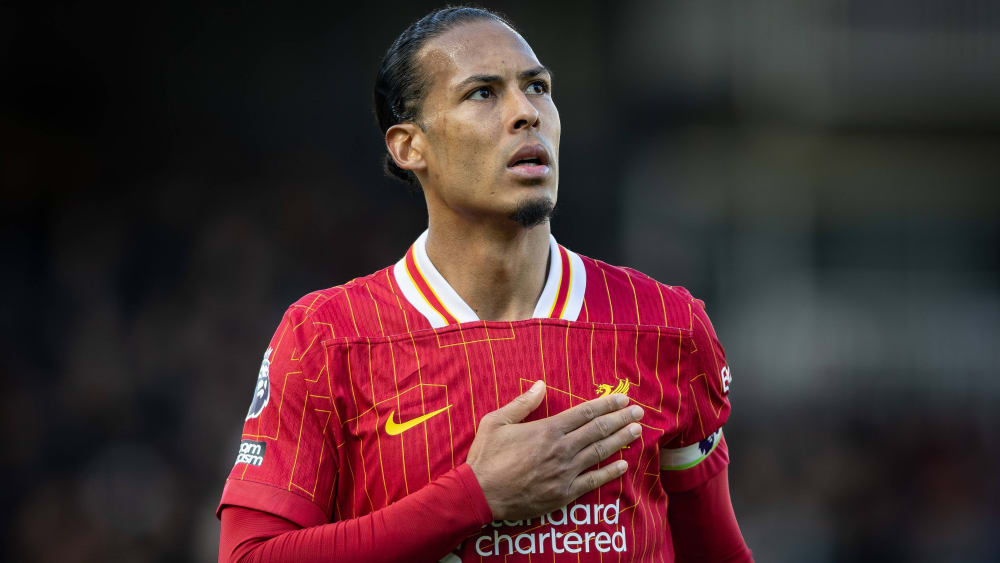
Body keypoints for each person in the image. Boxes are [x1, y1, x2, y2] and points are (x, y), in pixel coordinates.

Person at [217, 6, 752, 562]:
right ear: (409, 147)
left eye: (537, 87)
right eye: (482, 93)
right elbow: (249, 556)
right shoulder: (328, 339)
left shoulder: (667, 326)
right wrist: (473, 497)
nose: (527, 113)